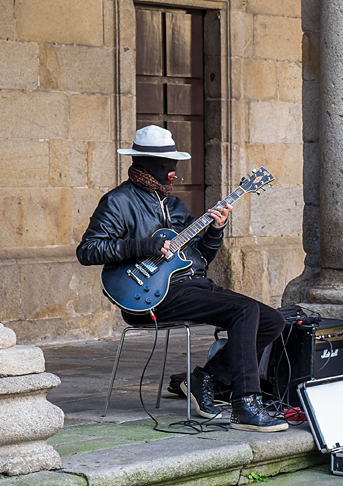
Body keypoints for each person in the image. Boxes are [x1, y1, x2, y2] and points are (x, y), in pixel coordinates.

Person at [76, 126, 287, 432]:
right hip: (149, 295)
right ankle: (245, 405)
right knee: (245, 310)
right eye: (166, 164)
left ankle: (206, 379)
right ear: (144, 163)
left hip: (191, 286)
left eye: (174, 164)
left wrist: (215, 230)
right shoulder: (118, 202)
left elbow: (201, 257)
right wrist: (142, 246)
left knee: (272, 320)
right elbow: (88, 250)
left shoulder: (175, 206)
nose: (173, 171)